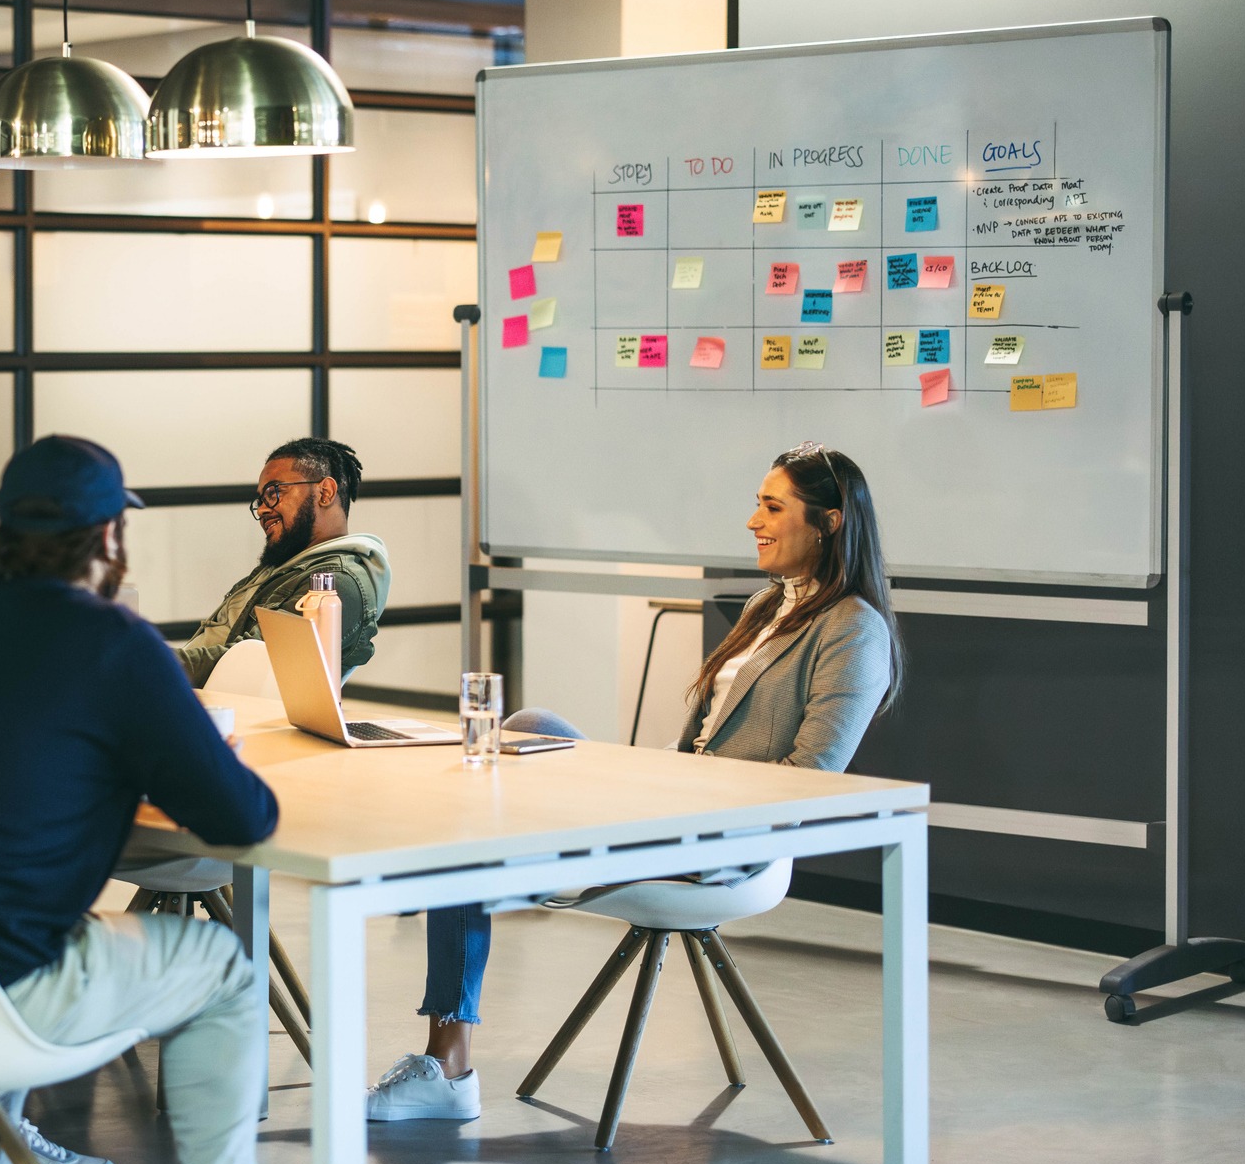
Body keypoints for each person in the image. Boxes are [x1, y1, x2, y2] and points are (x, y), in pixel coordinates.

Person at [366, 441, 903, 1122]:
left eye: (772, 506)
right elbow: (698, 742)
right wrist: (656, 785)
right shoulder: (768, 605)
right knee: (529, 726)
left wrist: (674, 793)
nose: (752, 521)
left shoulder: (855, 630)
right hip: (675, 804)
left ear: (828, 523)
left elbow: (809, 781)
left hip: (723, 842)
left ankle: (448, 1062)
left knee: (466, 845)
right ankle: (474, 871)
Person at [0, 436, 280, 1164]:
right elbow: (244, 821)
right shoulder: (113, 643)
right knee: (225, 969)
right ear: (108, 538)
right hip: (4, 992)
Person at [173, 437, 389, 687]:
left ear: (325, 493)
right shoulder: (285, 567)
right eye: (261, 500)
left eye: (274, 492)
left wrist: (152, 662)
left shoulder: (336, 583)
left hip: (232, 714)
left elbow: (251, 664)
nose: (263, 510)